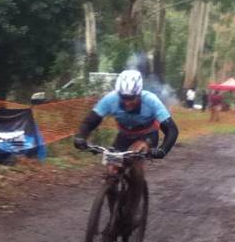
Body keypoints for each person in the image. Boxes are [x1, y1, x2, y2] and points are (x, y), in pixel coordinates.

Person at [73, 69, 179, 229]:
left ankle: (132, 212)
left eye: (131, 98)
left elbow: (171, 130)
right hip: (124, 135)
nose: (127, 102)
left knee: (136, 159)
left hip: (147, 135)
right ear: (119, 93)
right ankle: (115, 216)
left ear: (139, 94)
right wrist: (81, 137)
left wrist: (162, 150)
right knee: (111, 171)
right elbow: (90, 121)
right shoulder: (111, 99)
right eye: (124, 97)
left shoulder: (151, 100)